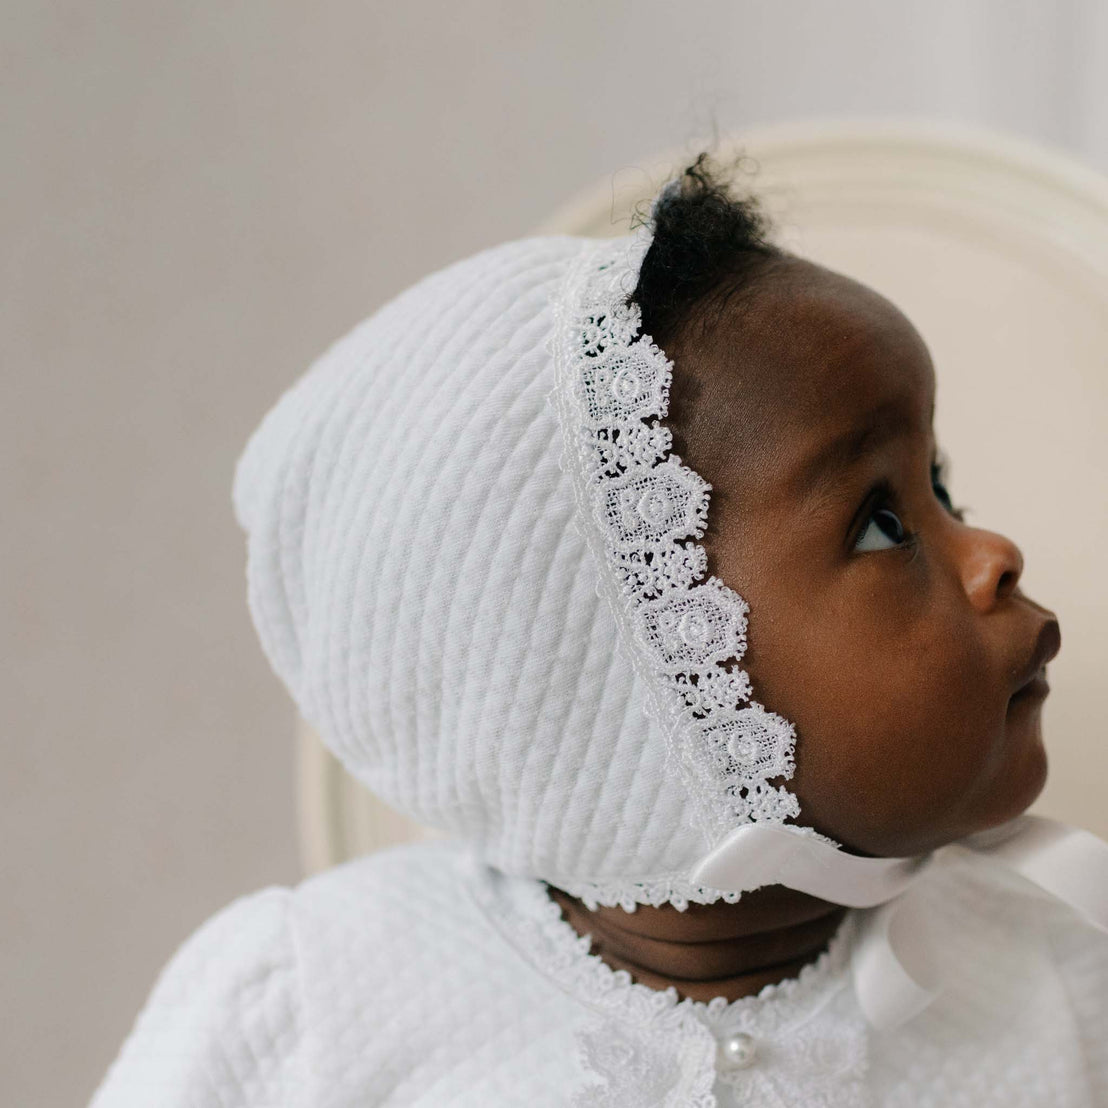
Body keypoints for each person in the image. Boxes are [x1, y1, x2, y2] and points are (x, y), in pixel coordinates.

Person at [89, 156, 1108, 1107]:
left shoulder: (1056, 978)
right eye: (882, 522)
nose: (993, 551)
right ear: (619, 683)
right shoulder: (316, 996)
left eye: (939, 485)